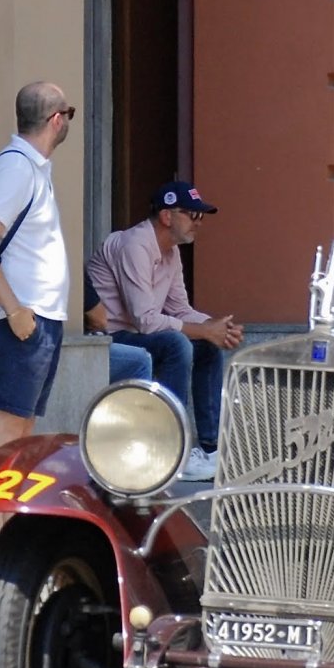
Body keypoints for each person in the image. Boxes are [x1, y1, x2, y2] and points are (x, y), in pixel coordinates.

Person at [0, 80, 75, 573]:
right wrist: (13, 308)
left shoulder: (30, 168)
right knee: (4, 432)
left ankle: (7, 541)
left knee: (20, 433)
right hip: (21, 321)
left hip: (36, 318)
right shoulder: (16, 168)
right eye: (68, 112)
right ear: (56, 119)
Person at [88, 181, 241, 483]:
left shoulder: (171, 253)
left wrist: (216, 327)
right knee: (177, 344)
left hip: (139, 333)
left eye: (202, 217)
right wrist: (202, 329)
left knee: (204, 344)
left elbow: (180, 309)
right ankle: (169, 451)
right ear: (167, 216)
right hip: (107, 338)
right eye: (192, 215)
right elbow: (144, 319)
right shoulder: (136, 244)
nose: (199, 223)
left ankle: (211, 451)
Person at [82, 267, 153, 383]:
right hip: (79, 347)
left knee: (176, 343)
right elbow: (99, 320)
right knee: (140, 361)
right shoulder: (71, 265)